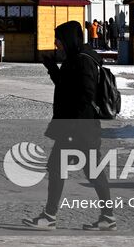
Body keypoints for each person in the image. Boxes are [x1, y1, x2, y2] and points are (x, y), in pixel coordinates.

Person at [23, 20, 115, 231]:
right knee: (82, 170)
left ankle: (50, 217)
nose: (57, 45)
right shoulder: (77, 58)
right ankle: (106, 216)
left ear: (69, 40)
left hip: (78, 128)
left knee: (65, 169)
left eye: (59, 41)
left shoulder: (83, 61)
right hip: (80, 127)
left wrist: (72, 129)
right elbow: (67, 87)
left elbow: (84, 96)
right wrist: (53, 69)